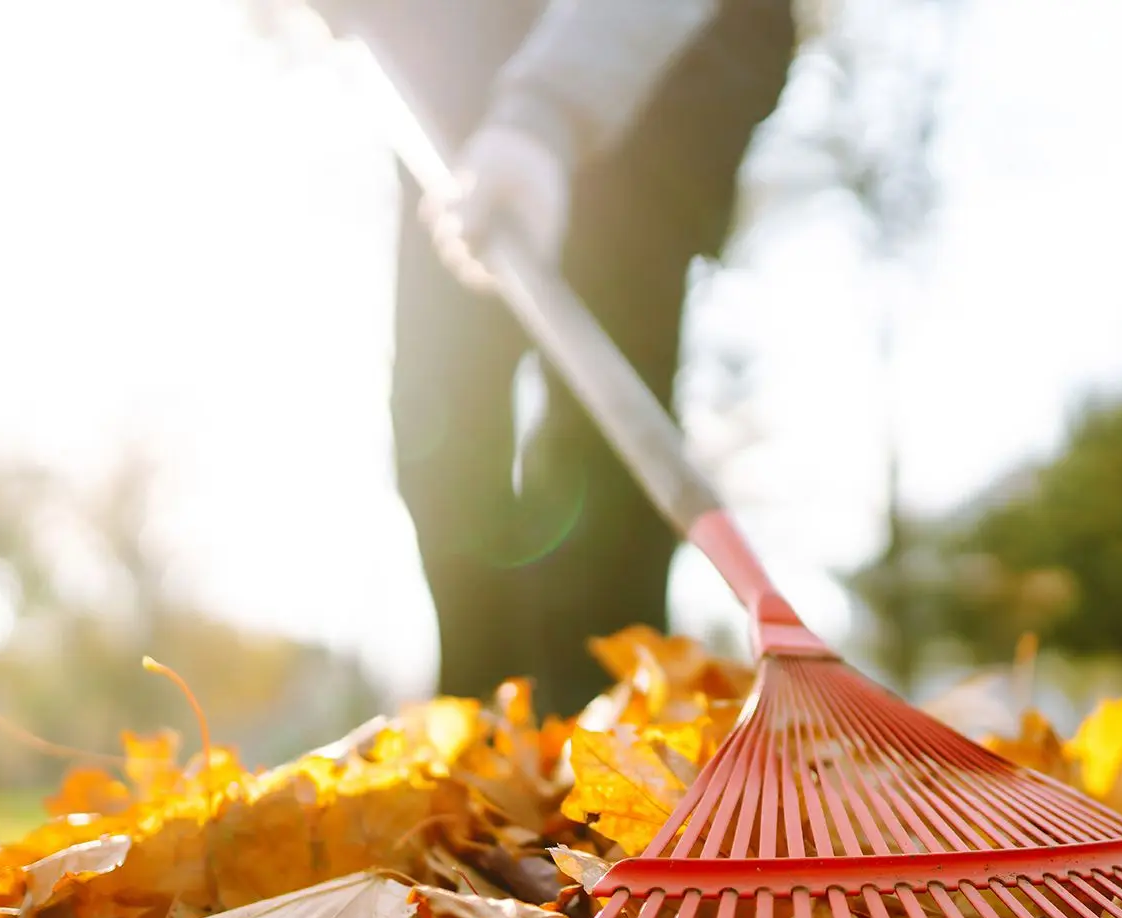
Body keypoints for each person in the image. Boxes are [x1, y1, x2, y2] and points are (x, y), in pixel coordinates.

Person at [310, 0, 796, 715]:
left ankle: (606, 733)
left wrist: (544, 116)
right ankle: (480, 725)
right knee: (440, 426)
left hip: (655, 80)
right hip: (446, 79)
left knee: (601, 450)